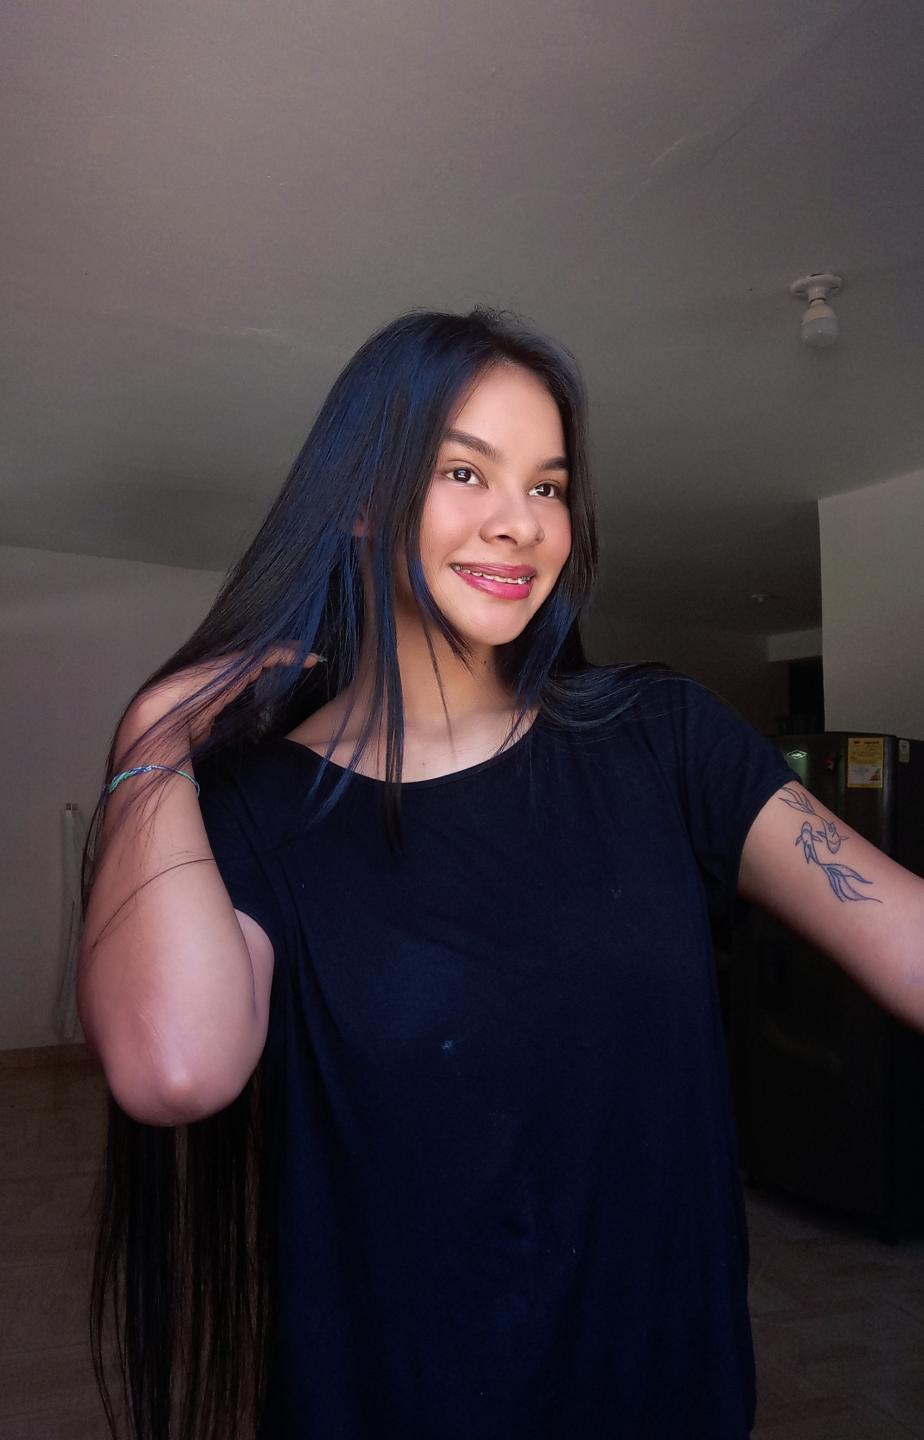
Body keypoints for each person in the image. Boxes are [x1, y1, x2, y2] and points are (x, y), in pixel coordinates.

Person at [76, 307, 924, 1440]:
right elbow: (174, 1071)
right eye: (465, 471)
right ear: (363, 498)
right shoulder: (253, 807)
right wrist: (149, 743)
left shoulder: (660, 737)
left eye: (548, 486)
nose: (520, 523)